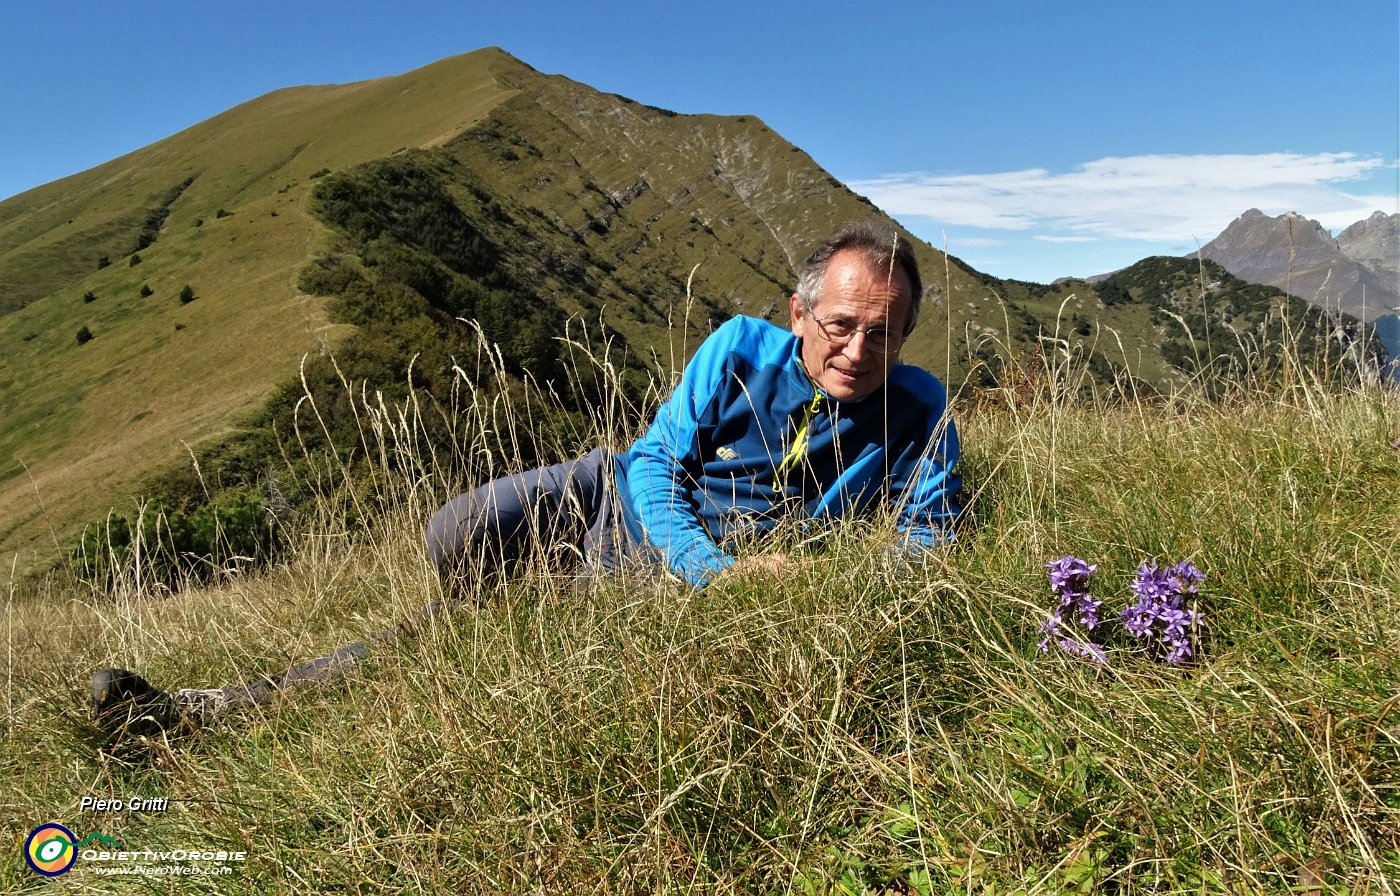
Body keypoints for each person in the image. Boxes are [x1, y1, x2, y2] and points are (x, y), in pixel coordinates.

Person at [90, 220, 961, 734]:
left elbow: (930, 536)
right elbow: (657, 461)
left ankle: (205, 711)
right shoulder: (738, 346)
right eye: (840, 323)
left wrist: (829, 581)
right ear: (799, 311)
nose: (857, 350)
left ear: (908, 334)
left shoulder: (920, 410)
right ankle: (491, 615)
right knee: (451, 536)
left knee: (447, 637)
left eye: (884, 333)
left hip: (655, 572)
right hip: (611, 492)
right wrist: (714, 568)